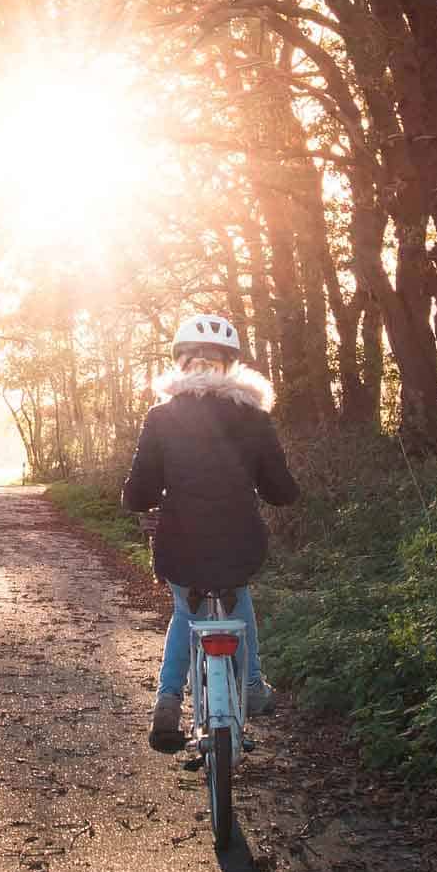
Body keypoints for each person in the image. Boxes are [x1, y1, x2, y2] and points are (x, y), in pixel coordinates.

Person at [121, 313, 300, 753]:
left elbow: (139, 491)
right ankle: (253, 685)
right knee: (239, 595)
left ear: (180, 364)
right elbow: (281, 491)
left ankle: (167, 701)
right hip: (240, 541)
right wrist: (272, 487)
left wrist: (138, 499)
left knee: (186, 609)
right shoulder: (254, 417)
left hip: (180, 543)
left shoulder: (161, 417)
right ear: (231, 365)